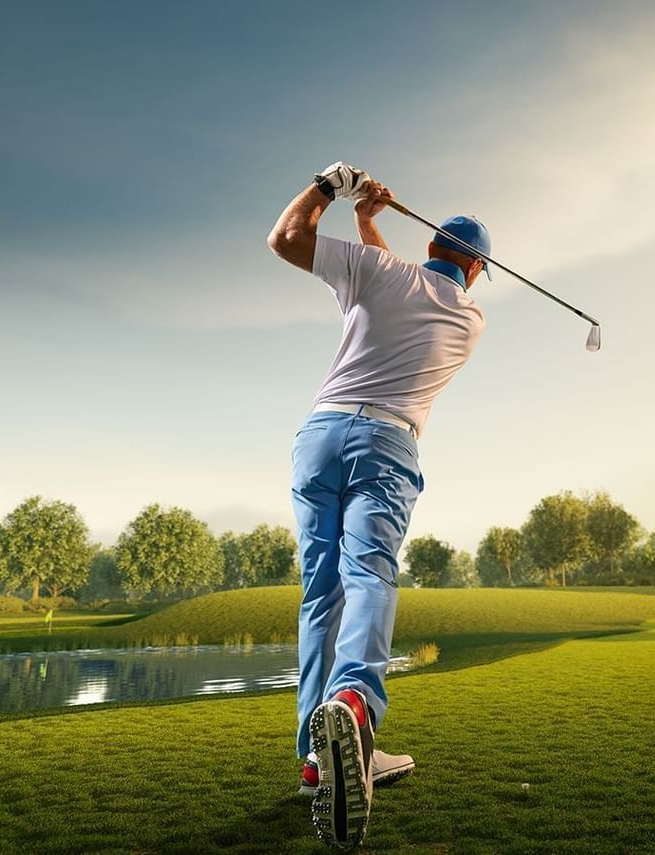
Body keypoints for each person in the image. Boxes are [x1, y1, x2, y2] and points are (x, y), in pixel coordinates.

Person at [268, 161, 489, 850]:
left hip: (320, 434)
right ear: (476, 270)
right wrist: (369, 223)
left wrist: (334, 191)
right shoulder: (469, 317)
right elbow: (411, 285)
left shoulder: (381, 273)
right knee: (369, 575)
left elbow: (286, 236)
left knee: (320, 592)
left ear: (429, 248)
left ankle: (317, 755)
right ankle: (355, 710)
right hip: (387, 442)